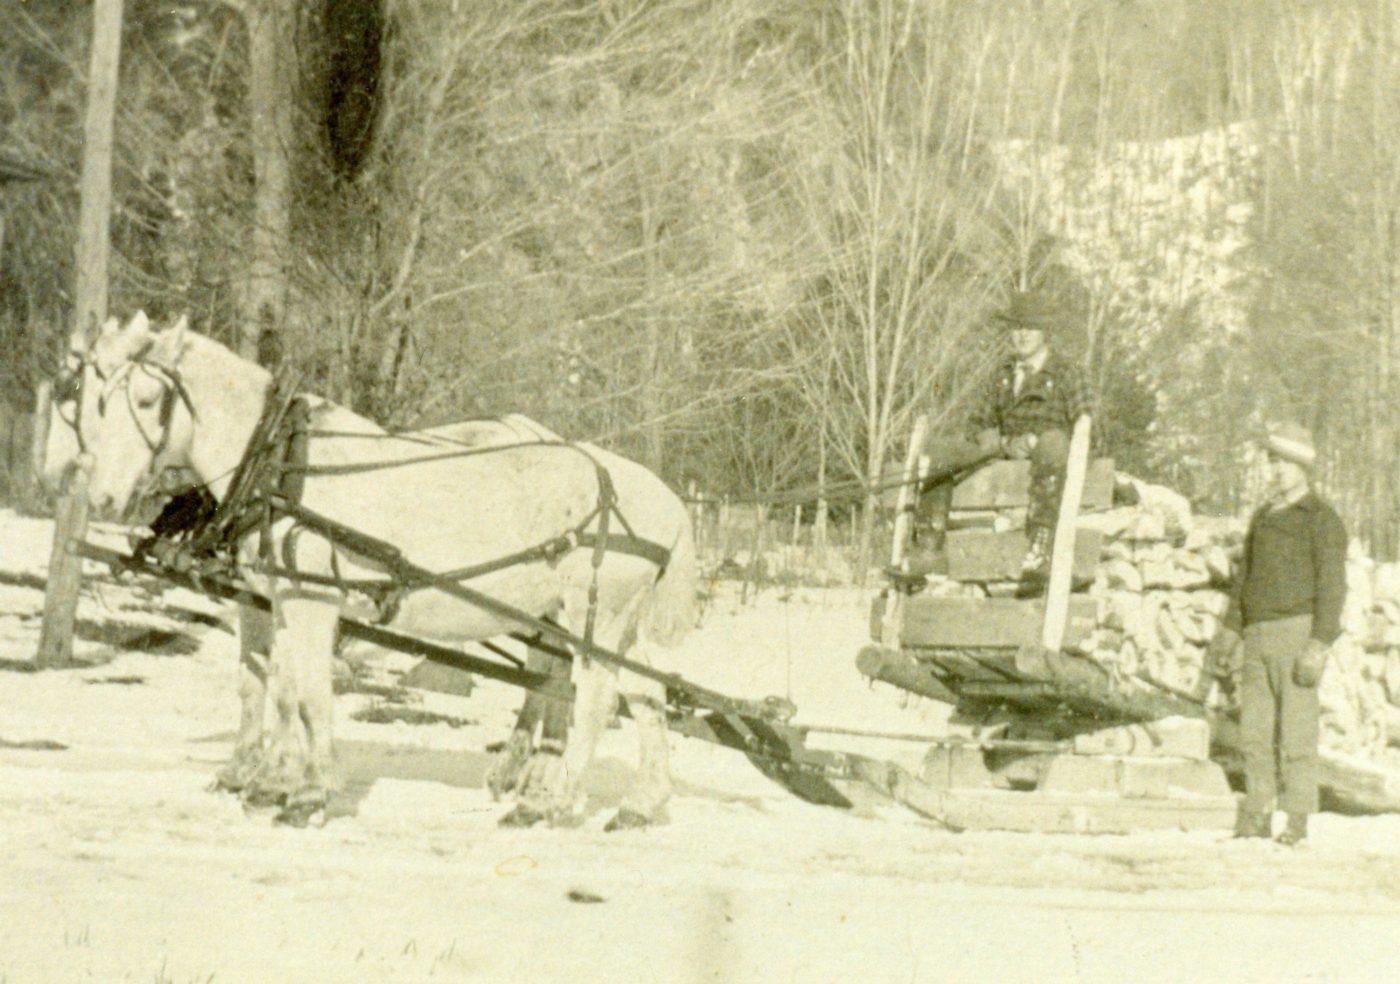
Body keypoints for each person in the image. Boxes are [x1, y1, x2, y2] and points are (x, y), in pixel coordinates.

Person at [896, 289, 1091, 590]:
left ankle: (1041, 548)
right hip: (1002, 455)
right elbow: (977, 423)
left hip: (1047, 464)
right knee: (940, 449)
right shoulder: (1001, 376)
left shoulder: (1067, 374)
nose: (1022, 335)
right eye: (1016, 328)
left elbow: (1087, 426)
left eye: (1030, 327)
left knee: (1054, 442)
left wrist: (1039, 442)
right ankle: (929, 548)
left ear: (1044, 332)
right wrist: (1000, 444)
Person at [1210, 422, 1346, 846]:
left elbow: (1332, 588)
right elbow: (1243, 583)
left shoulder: (1321, 519)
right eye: (1273, 461)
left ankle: (1298, 819)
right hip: (1256, 635)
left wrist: (1318, 644)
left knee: (1297, 733)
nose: (1277, 470)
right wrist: (1231, 634)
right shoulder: (1263, 518)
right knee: (1254, 733)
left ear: (1304, 467)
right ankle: (1257, 813)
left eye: (1285, 463)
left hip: (1297, 633)